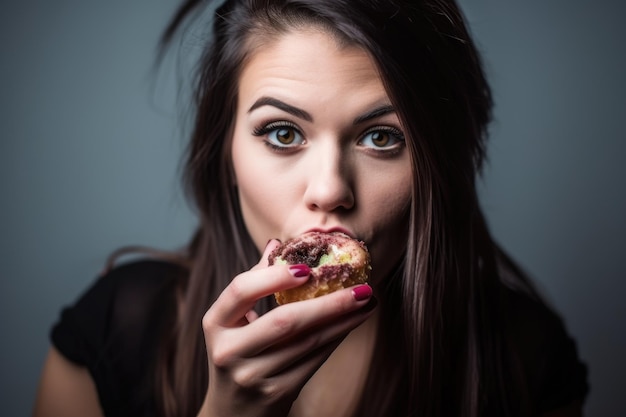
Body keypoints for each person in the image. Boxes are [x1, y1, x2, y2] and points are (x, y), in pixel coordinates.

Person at [32, 0, 589, 416]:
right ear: (224, 149)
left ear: (439, 165)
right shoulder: (114, 331)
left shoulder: (524, 362)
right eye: (281, 132)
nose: (328, 190)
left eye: (381, 138)